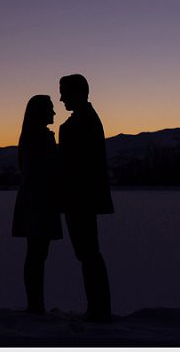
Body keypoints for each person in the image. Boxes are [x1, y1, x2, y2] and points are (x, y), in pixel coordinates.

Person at [57, 74, 113, 323]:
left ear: (77, 92)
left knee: (88, 253)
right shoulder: (85, 119)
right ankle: (98, 307)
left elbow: (74, 164)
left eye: (64, 92)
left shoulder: (83, 122)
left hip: (80, 197)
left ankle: (99, 309)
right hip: (80, 196)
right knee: (88, 253)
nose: (61, 98)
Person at [11, 94, 63, 314]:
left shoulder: (33, 136)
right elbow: (45, 171)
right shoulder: (39, 137)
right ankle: (36, 305)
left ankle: (36, 303)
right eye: (50, 109)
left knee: (36, 254)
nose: (54, 113)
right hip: (39, 202)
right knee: (37, 254)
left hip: (37, 200)